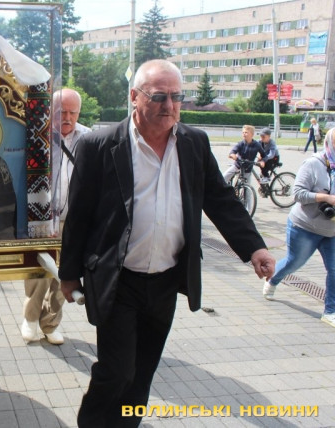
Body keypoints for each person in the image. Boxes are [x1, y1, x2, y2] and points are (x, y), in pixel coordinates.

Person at [58, 59, 275, 427]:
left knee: (142, 373)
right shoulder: (99, 145)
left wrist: (255, 247)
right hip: (117, 278)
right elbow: (79, 214)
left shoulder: (194, 143)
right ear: (134, 97)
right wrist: (69, 274)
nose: (170, 105)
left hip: (166, 280)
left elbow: (220, 199)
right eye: (159, 96)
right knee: (116, 370)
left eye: (177, 97)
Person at [21, 88, 90, 345]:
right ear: (51, 111)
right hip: (40, 219)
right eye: (62, 112)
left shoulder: (89, 139)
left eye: (73, 112)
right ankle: (30, 319)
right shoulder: (37, 136)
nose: (68, 118)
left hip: (73, 220)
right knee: (38, 272)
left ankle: (51, 323)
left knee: (66, 272)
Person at [263, 128, 335, 328]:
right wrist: (325, 198)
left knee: (334, 269)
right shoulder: (313, 164)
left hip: (331, 230)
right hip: (305, 226)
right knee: (294, 262)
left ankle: (330, 311)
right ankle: (273, 280)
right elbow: (297, 194)